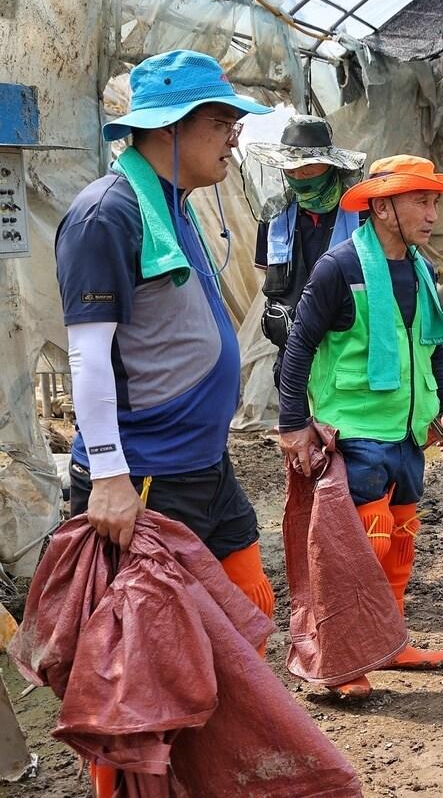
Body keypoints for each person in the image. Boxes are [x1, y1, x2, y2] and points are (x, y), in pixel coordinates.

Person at [57, 48, 276, 617]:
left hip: (203, 463)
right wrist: (107, 474)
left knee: (247, 605)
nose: (234, 139)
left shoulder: (171, 205)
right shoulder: (107, 215)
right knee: (155, 652)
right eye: (223, 123)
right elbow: (88, 356)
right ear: (169, 128)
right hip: (147, 473)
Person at [277, 155, 443, 698]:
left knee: (401, 537)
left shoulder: (420, 268)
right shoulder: (339, 268)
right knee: (357, 546)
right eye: (420, 201)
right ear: (382, 207)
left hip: (409, 431)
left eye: (434, 202)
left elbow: (432, 349)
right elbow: (299, 348)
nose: (432, 214)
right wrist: (293, 423)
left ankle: (390, 641)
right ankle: (343, 657)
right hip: (355, 430)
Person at [247, 115, 365, 385]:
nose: (299, 177)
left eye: (308, 169)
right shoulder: (275, 216)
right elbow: (263, 276)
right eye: (291, 170)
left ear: (330, 166)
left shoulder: (360, 212)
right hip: (292, 353)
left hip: (349, 353)